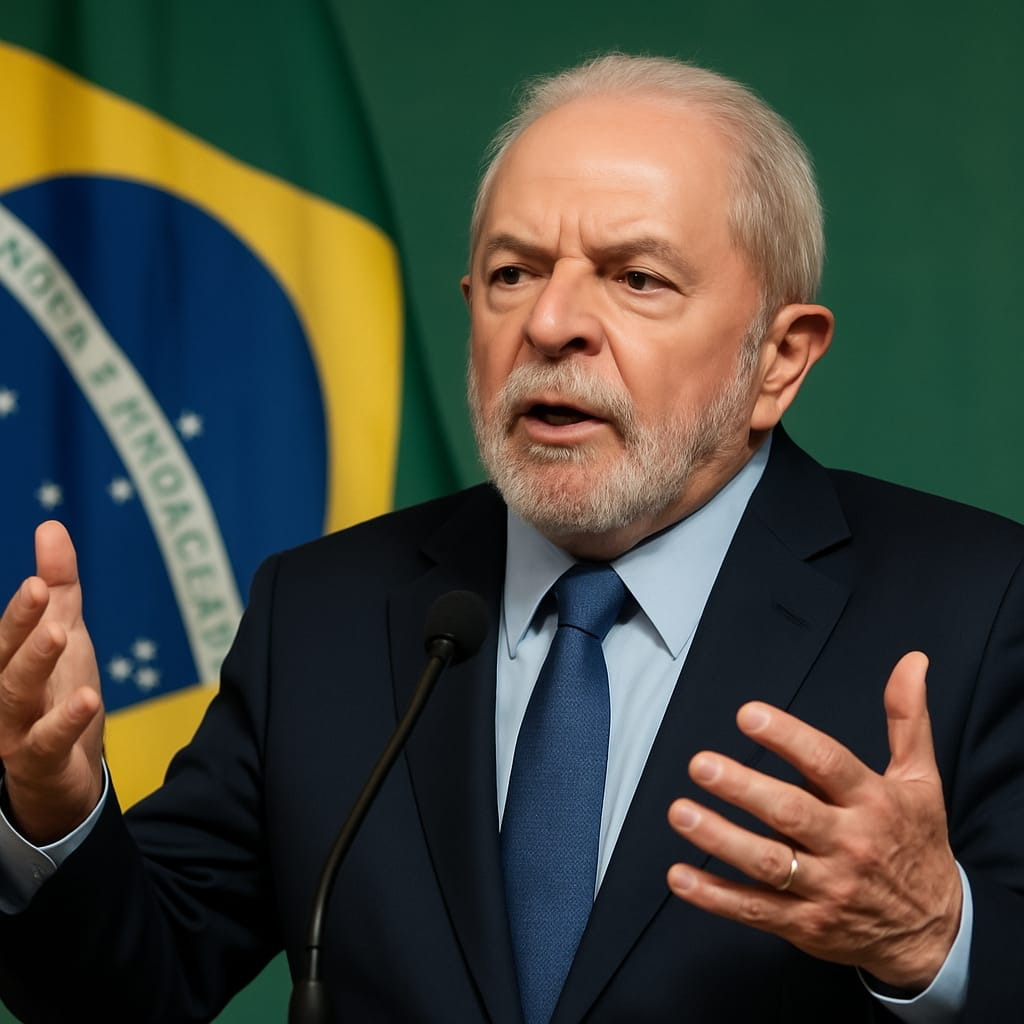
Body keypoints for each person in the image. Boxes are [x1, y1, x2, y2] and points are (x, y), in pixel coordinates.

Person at [0, 52, 1022, 1023]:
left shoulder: (979, 608)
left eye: (637, 278)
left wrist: (933, 937)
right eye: (512, 274)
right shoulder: (319, 613)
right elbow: (128, 992)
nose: (549, 322)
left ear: (779, 359)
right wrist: (56, 811)